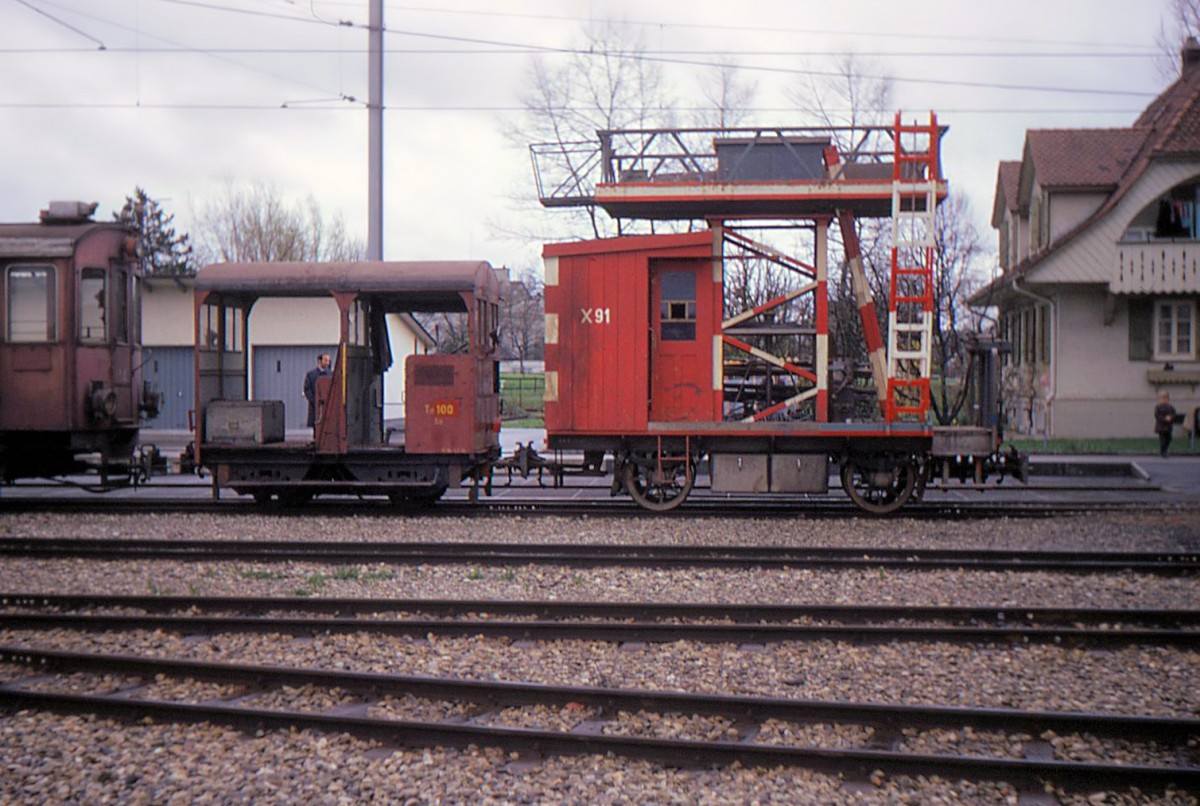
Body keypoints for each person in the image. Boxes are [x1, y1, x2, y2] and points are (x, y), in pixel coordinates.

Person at [304, 353, 332, 432]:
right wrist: (315, 401)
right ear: (319, 361)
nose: (327, 363)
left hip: (328, 405)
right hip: (314, 406)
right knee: (316, 425)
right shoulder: (311, 375)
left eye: (328, 361)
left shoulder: (331, 374)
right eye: (325, 360)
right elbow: (307, 389)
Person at [1154, 390, 1184, 457]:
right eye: (1162, 398)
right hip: (1161, 427)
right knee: (1162, 440)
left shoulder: (1170, 407)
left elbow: (1174, 414)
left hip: (1168, 426)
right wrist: (1164, 419)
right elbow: (1157, 416)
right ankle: (1163, 451)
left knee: (1169, 438)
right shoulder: (1158, 407)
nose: (1164, 399)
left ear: (1168, 399)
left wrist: (1171, 417)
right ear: (1159, 399)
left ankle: (1165, 449)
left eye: (1166, 398)